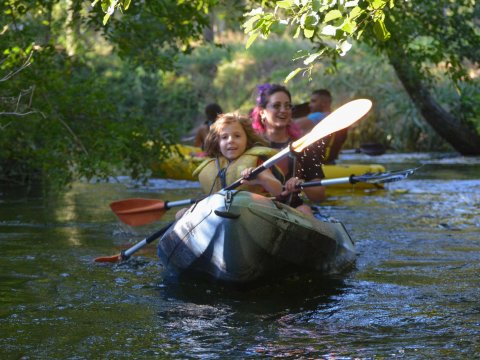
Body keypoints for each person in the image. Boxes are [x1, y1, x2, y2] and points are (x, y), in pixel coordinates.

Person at [251, 83, 327, 215]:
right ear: (262, 112)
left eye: (288, 106)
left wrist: (301, 184)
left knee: (305, 210)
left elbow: (319, 195)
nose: (283, 110)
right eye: (276, 105)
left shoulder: (304, 146)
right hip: (257, 208)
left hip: (293, 211)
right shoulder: (251, 145)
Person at [295, 89, 348, 164]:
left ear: (324, 103)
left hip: (318, 163)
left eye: (313, 101)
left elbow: (294, 125)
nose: (309, 105)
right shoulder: (332, 117)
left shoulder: (319, 116)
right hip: (328, 161)